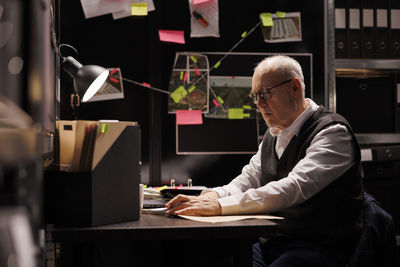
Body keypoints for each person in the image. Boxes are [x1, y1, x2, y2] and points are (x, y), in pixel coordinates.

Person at [166, 55, 364, 266]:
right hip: (274, 241)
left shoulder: (333, 133)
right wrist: (211, 195)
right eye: (255, 96)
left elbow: (293, 187)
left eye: (265, 94)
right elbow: (248, 179)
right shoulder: (274, 133)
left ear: (294, 87)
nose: (259, 104)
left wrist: (220, 206)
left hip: (320, 247)